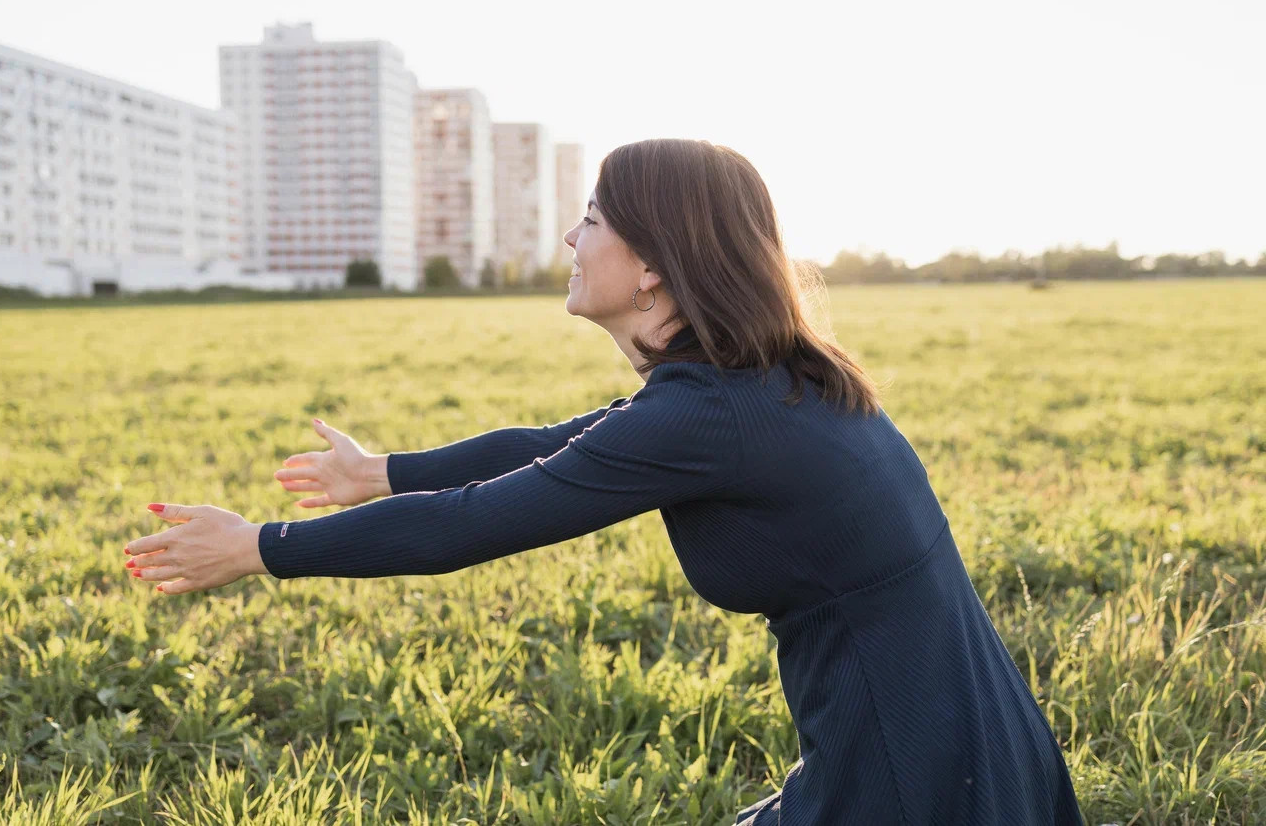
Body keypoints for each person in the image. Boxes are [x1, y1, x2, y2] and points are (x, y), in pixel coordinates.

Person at [122, 138, 1084, 824]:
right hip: (975, 741)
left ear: (657, 267)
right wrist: (379, 471)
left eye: (590, 220)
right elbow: (551, 443)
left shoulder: (711, 413)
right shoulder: (752, 380)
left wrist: (259, 546)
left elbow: (472, 525)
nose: (571, 242)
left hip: (913, 777)